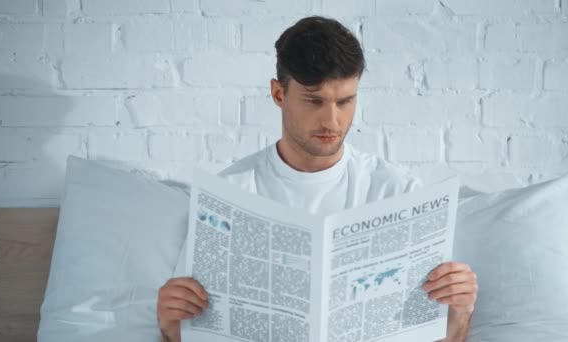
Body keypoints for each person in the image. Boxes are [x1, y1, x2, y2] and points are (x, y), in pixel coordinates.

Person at [157, 15, 478, 342]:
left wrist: (460, 317)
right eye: (314, 100)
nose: (332, 120)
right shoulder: (227, 194)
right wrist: (171, 328)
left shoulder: (399, 191)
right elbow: (192, 330)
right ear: (279, 94)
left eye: (345, 101)